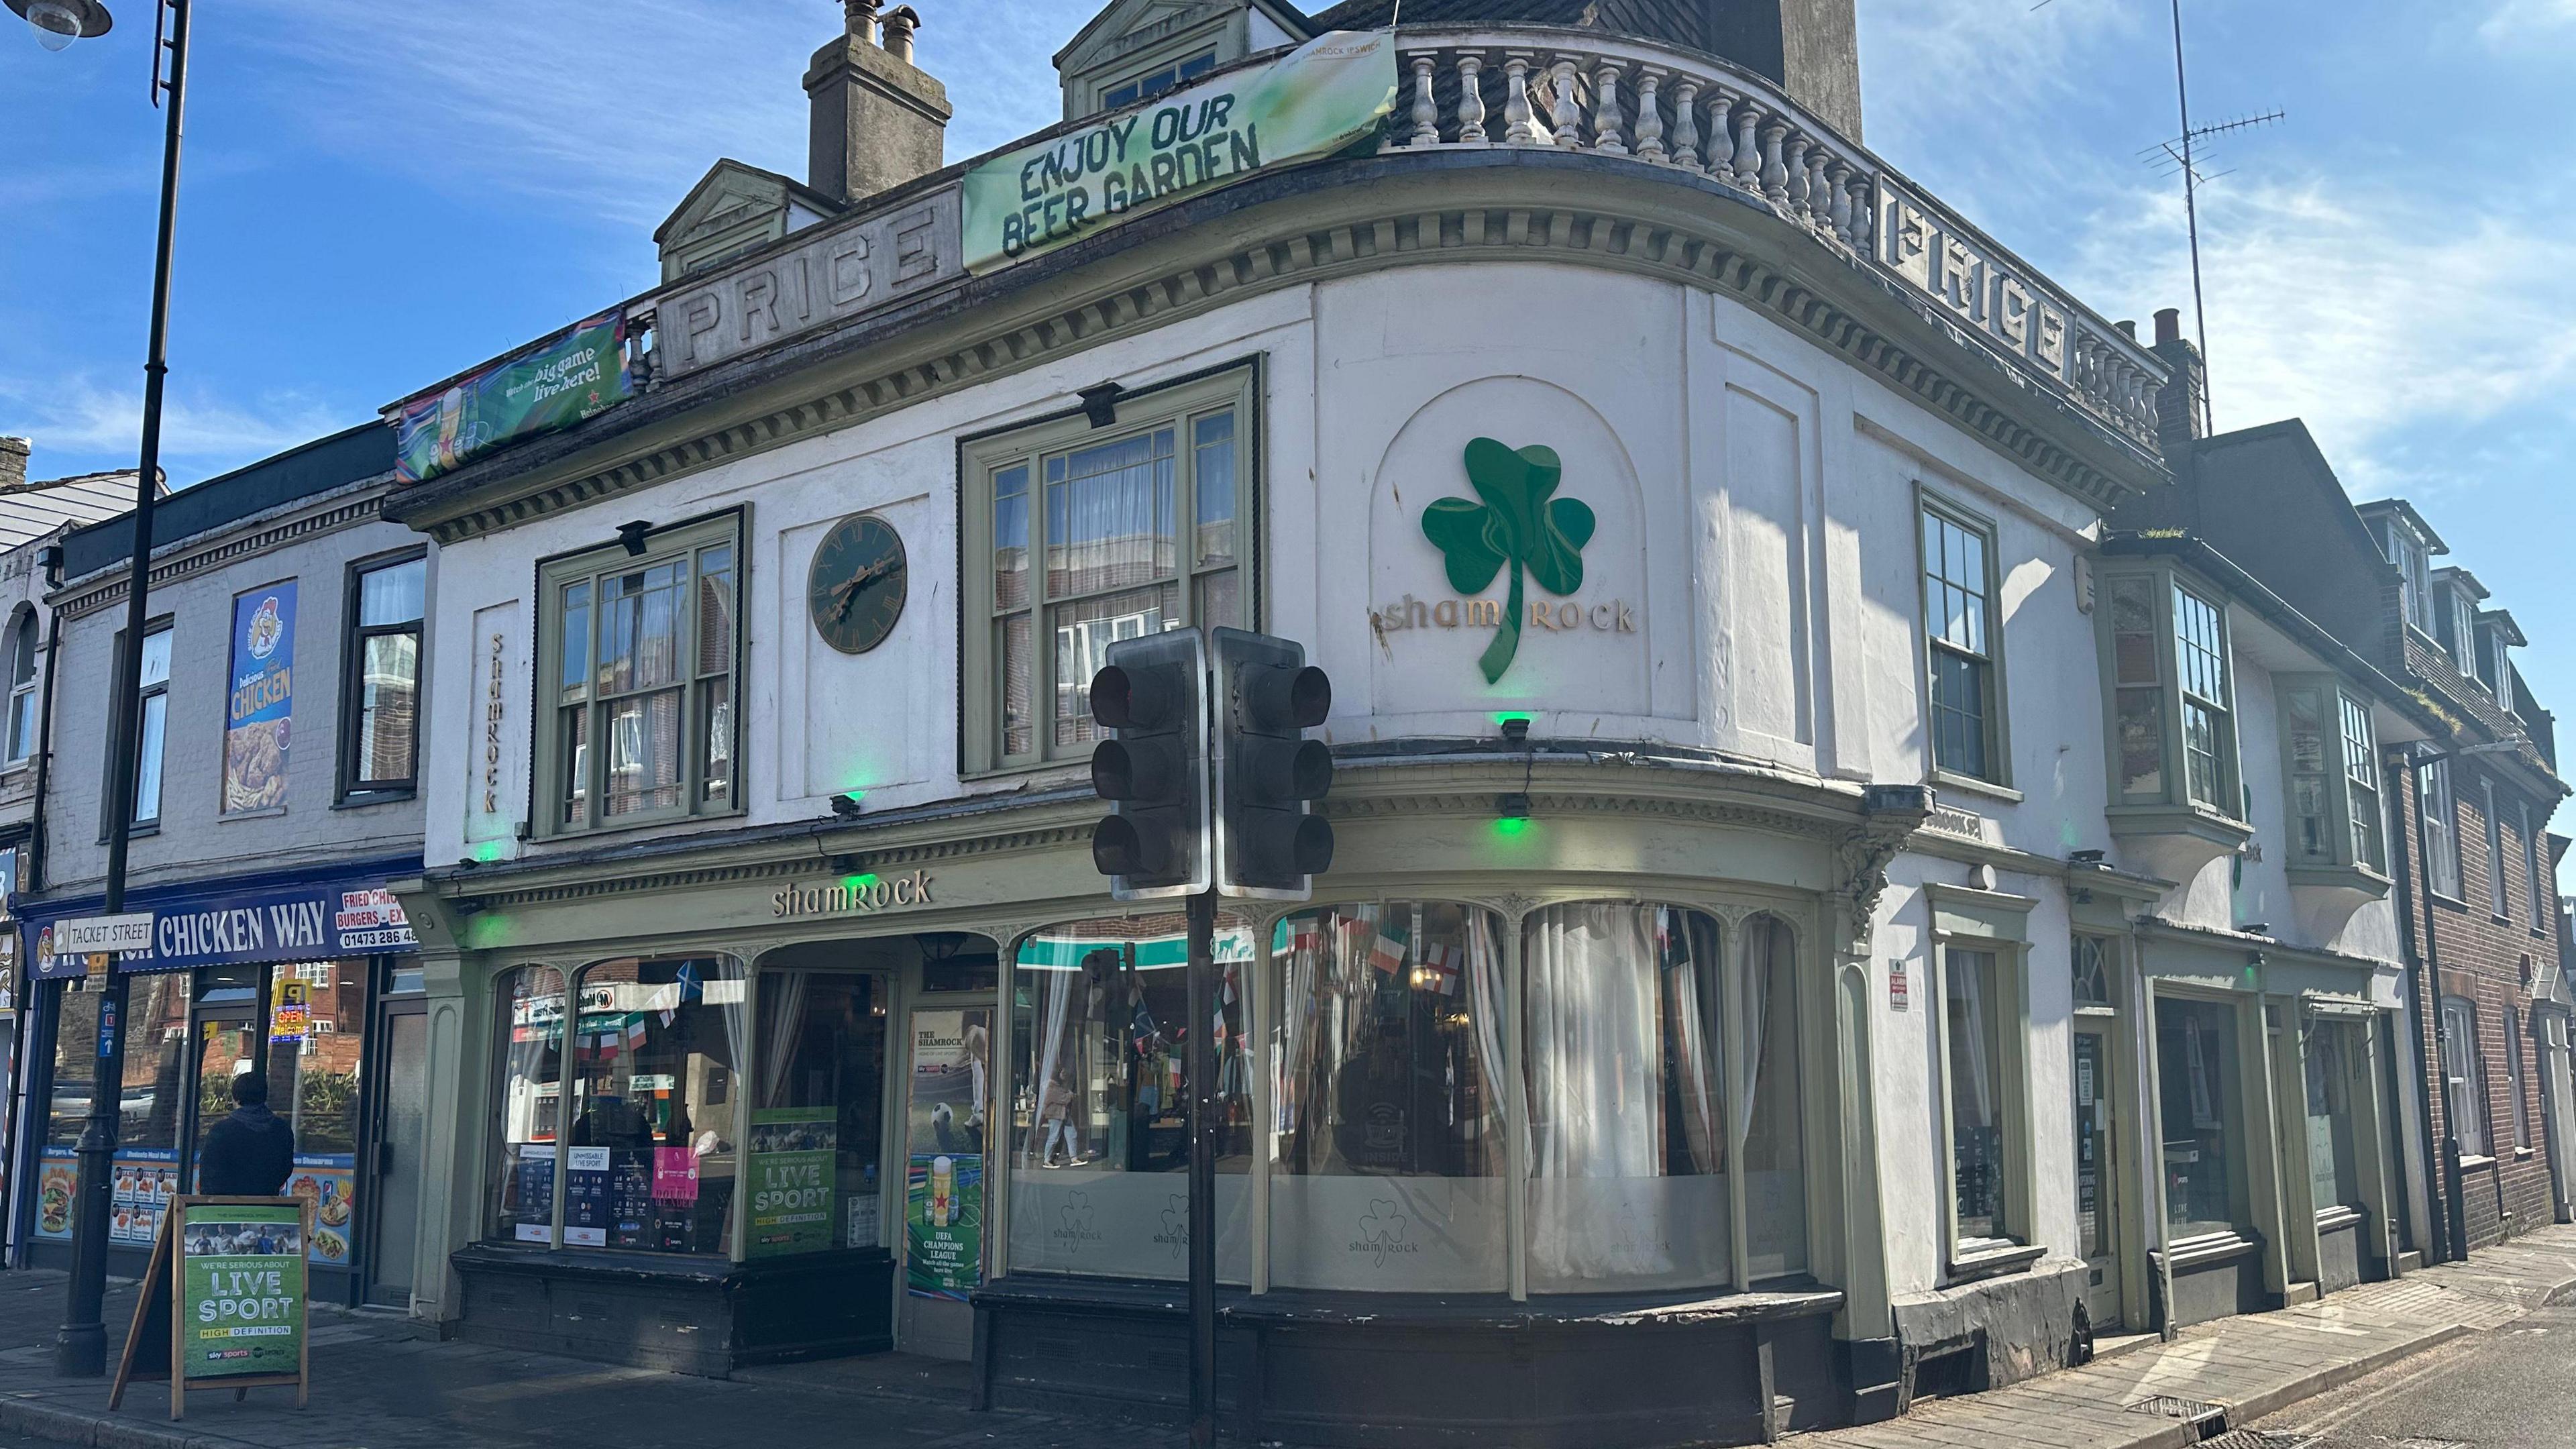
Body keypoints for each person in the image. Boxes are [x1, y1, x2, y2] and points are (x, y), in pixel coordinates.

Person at [197, 1072, 294, 1197]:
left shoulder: (221, 1131)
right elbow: (285, 1168)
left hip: (225, 1207)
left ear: (236, 1098)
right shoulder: (282, 1129)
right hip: (267, 1205)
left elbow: (208, 1174)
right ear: (264, 1096)